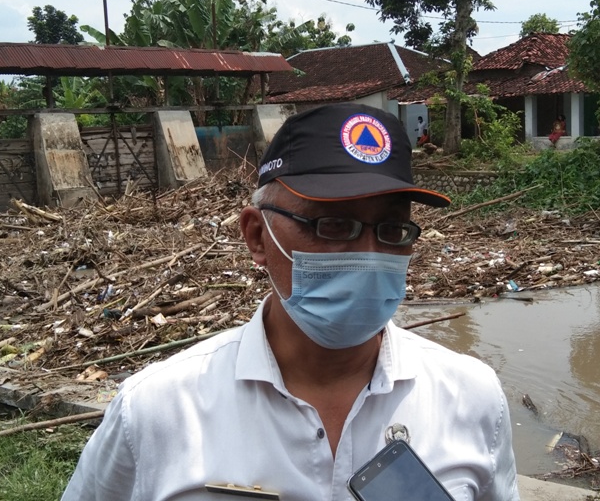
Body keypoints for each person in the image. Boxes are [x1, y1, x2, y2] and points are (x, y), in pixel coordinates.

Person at [61, 103, 518, 501]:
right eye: (333, 225)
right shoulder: (157, 411)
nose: (369, 255)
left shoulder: (471, 399)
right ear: (257, 236)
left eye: (392, 230)